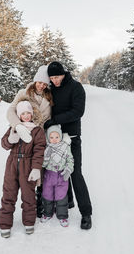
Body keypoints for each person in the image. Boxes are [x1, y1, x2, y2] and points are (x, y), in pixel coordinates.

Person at [44, 61, 93, 230]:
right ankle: (68, 200)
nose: (55, 80)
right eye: (52, 78)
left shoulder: (76, 87)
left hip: (71, 137)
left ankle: (86, 213)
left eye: (57, 77)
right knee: (57, 169)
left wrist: (56, 120)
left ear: (63, 74)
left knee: (75, 173)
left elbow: (78, 111)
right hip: (54, 139)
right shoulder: (50, 90)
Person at [6, 65, 53, 217]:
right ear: (35, 80)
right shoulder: (23, 93)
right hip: (23, 135)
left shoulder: (49, 97)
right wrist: (18, 126)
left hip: (40, 136)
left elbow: (50, 118)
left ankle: (38, 203)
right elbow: (10, 111)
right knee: (22, 171)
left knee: (38, 168)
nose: (42, 85)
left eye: (45, 84)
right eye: (40, 82)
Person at [0, 100, 46, 238]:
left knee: (28, 195)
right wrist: (10, 140)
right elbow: (4, 144)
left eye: (28, 113)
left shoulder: (37, 130)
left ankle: (29, 222)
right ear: (19, 115)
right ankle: (5, 224)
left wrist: (36, 168)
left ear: (32, 114)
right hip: (12, 164)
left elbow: (39, 150)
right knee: (8, 194)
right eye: (23, 113)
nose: (26, 116)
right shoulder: (14, 128)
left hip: (28, 164)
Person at [40, 125, 74, 227]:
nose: (54, 140)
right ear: (48, 138)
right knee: (47, 195)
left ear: (60, 137)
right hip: (49, 175)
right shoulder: (47, 148)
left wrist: (68, 170)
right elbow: (43, 165)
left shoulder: (65, 147)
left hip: (62, 175)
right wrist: (46, 156)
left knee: (61, 196)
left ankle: (62, 216)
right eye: (51, 137)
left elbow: (70, 160)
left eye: (56, 137)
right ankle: (47, 213)